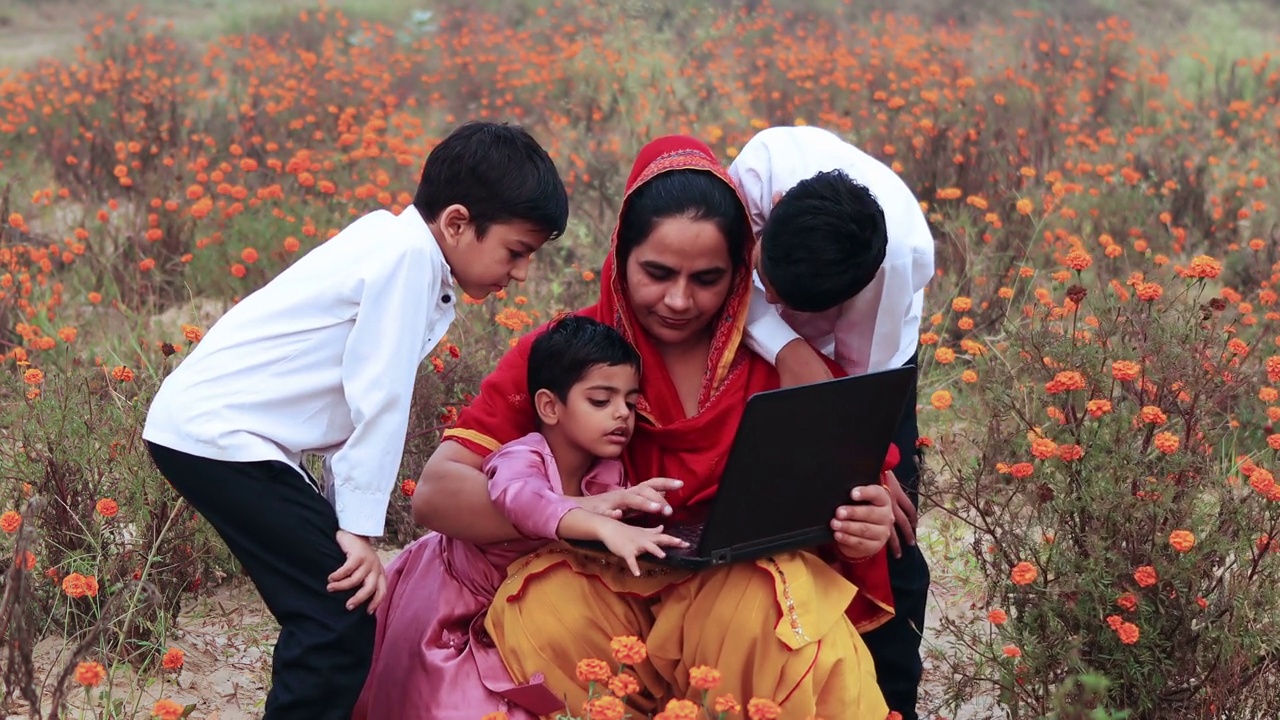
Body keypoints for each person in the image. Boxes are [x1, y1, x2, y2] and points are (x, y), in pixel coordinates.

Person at [406, 135, 898, 719]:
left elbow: (842, 505)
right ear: (620, 254)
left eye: (708, 279)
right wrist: (582, 515)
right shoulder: (570, 354)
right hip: (604, 591)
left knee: (765, 601)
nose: (679, 300)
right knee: (543, 606)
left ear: (741, 272)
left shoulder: (782, 368)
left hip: (733, 608)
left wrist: (859, 525)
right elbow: (438, 494)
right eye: (657, 272)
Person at [141, 121, 569, 720]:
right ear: (456, 223)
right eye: (516, 251)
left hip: (227, 436)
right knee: (334, 618)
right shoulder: (404, 262)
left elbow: (351, 403)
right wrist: (359, 532)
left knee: (333, 612)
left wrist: (346, 518)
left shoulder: (396, 244)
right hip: (220, 436)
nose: (521, 272)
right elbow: (380, 398)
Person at [352, 314, 690, 720]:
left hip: (520, 608)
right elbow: (525, 502)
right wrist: (599, 520)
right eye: (601, 401)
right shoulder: (521, 456)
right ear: (549, 406)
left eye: (631, 403)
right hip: (456, 601)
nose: (622, 414)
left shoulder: (606, 473)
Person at [729, 125, 936, 720]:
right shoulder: (758, 173)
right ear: (768, 222)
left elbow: (864, 381)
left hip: (866, 361)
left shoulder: (895, 262)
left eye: (802, 308)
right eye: (772, 282)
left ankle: (890, 700)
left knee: (882, 526)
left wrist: (867, 460)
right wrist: (788, 347)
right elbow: (732, 283)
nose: (783, 304)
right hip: (742, 337)